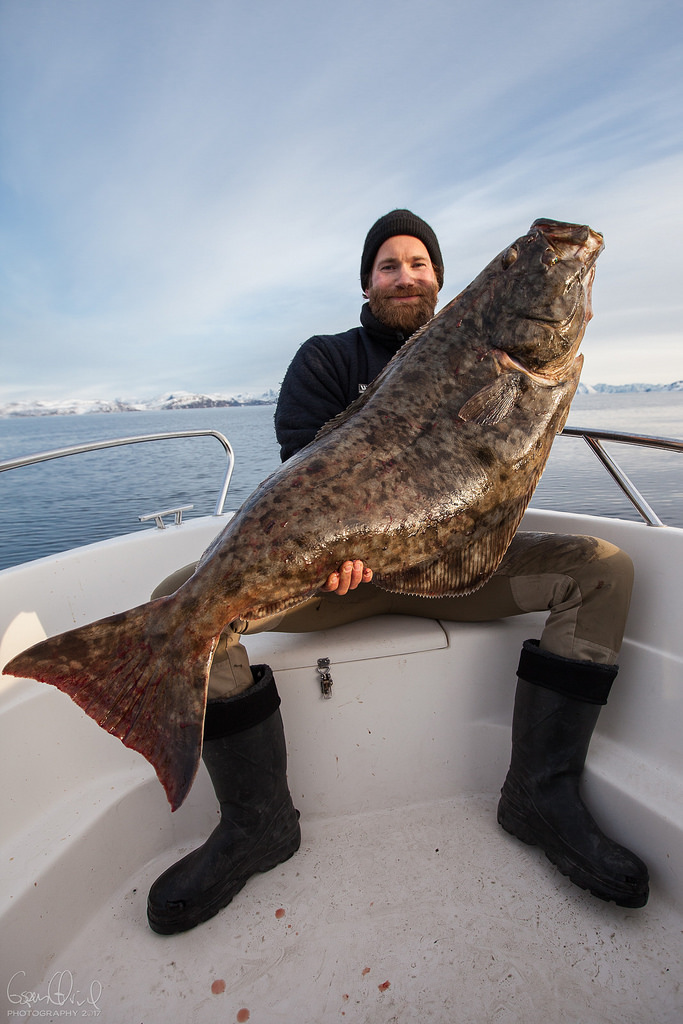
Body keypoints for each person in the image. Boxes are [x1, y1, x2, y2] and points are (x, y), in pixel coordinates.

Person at [146, 210, 649, 935]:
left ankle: (540, 794)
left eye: (418, 263)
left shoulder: (488, 354)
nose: (405, 275)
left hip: (457, 564)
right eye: (389, 264)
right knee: (179, 605)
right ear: (366, 282)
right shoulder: (323, 359)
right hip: (337, 580)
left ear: (441, 278)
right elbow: (302, 474)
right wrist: (333, 548)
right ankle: (257, 824)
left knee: (602, 570)